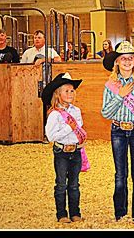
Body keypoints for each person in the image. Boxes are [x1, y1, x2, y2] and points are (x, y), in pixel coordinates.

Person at [101, 41, 134, 222]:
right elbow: (105, 112)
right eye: (123, 58)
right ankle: (120, 213)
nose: (126, 62)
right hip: (117, 130)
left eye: (130, 58)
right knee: (120, 173)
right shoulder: (111, 84)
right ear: (116, 62)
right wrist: (120, 95)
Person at [42, 72, 86, 224]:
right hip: (61, 152)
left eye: (72, 90)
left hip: (76, 150)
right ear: (58, 94)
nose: (70, 93)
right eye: (66, 91)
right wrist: (69, 128)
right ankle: (61, 214)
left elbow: (79, 128)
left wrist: (73, 130)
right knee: (61, 184)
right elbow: (51, 136)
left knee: (74, 184)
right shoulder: (54, 115)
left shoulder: (76, 111)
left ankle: (75, 212)